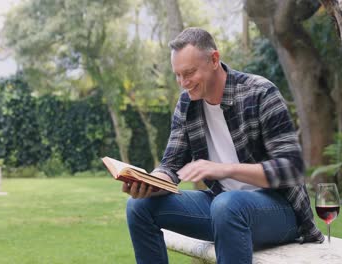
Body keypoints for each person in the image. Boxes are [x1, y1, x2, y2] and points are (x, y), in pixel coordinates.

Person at [122, 27, 324, 264]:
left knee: (227, 205)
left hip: (280, 212)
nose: (183, 83)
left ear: (214, 59)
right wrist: (149, 182)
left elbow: (289, 169)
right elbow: (170, 165)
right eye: (177, 75)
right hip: (223, 208)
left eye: (189, 73)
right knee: (139, 206)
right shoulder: (187, 104)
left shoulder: (260, 92)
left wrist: (224, 169)